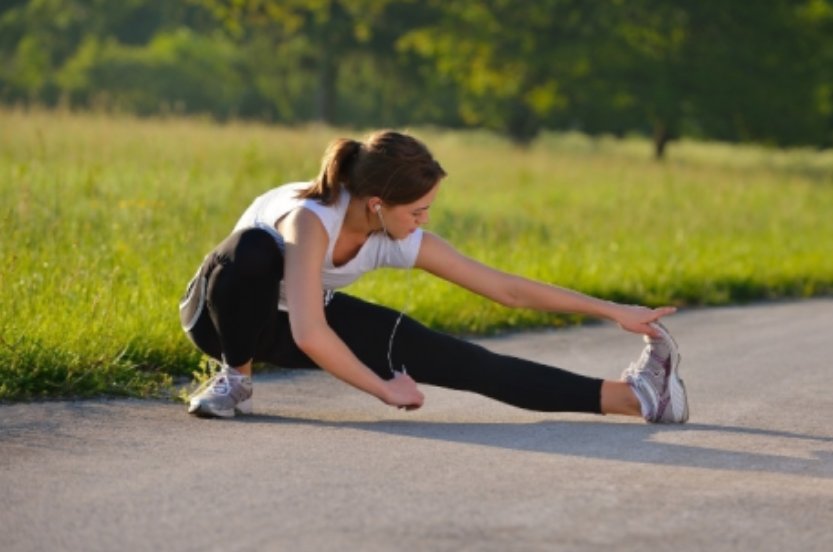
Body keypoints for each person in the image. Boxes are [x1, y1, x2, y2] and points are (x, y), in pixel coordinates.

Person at [179, 130, 688, 423]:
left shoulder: (392, 233)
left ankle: (637, 397)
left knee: (462, 360)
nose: (424, 221)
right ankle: (234, 381)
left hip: (298, 320)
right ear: (377, 204)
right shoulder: (311, 219)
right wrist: (384, 389)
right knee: (250, 253)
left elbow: (504, 289)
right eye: (418, 211)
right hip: (221, 317)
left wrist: (613, 310)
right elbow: (310, 333)